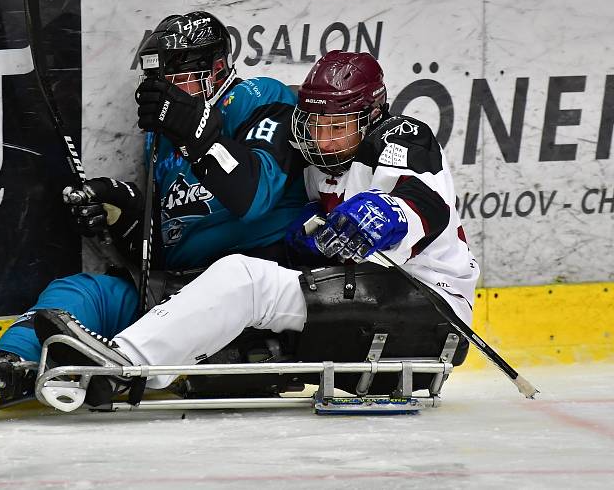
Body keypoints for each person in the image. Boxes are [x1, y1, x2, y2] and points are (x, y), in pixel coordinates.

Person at [0, 11, 308, 419]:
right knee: (78, 292)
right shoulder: (163, 139)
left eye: (178, 76)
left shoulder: (261, 98)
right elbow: (163, 248)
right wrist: (122, 212)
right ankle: (6, 368)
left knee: (224, 279)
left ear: (217, 69)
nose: (166, 89)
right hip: (184, 284)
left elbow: (254, 195)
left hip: (252, 287)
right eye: (159, 79)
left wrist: (196, 131)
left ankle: (114, 368)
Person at [33, 50, 480, 407]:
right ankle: (146, 364)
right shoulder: (316, 168)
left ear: (371, 115)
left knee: (243, 279)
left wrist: (389, 214)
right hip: (368, 297)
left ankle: (125, 365)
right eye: (317, 125)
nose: (324, 140)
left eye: (339, 127)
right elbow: (317, 233)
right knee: (244, 275)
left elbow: (427, 203)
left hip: (428, 304)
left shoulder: (400, 135)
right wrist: (308, 238)